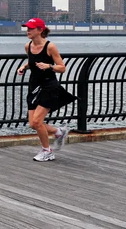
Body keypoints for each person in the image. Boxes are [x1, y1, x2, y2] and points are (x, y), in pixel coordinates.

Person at [17, 18, 76, 162]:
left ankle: (47, 151)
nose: (28, 31)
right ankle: (59, 131)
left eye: (31, 28)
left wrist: (49, 66)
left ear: (40, 30)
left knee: (38, 121)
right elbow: (32, 62)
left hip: (49, 86)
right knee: (33, 124)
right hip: (34, 86)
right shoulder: (28, 46)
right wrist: (24, 67)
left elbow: (62, 67)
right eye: (27, 28)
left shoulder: (50, 47)